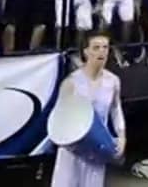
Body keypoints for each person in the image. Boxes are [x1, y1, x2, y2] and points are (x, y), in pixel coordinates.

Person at [50, 31, 126, 187]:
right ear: (86, 51)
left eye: (105, 47)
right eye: (96, 47)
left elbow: (116, 109)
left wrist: (122, 136)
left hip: (96, 147)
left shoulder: (113, 81)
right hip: (72, 150)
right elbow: (58, 119)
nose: (102, 52)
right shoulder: (71, 83)